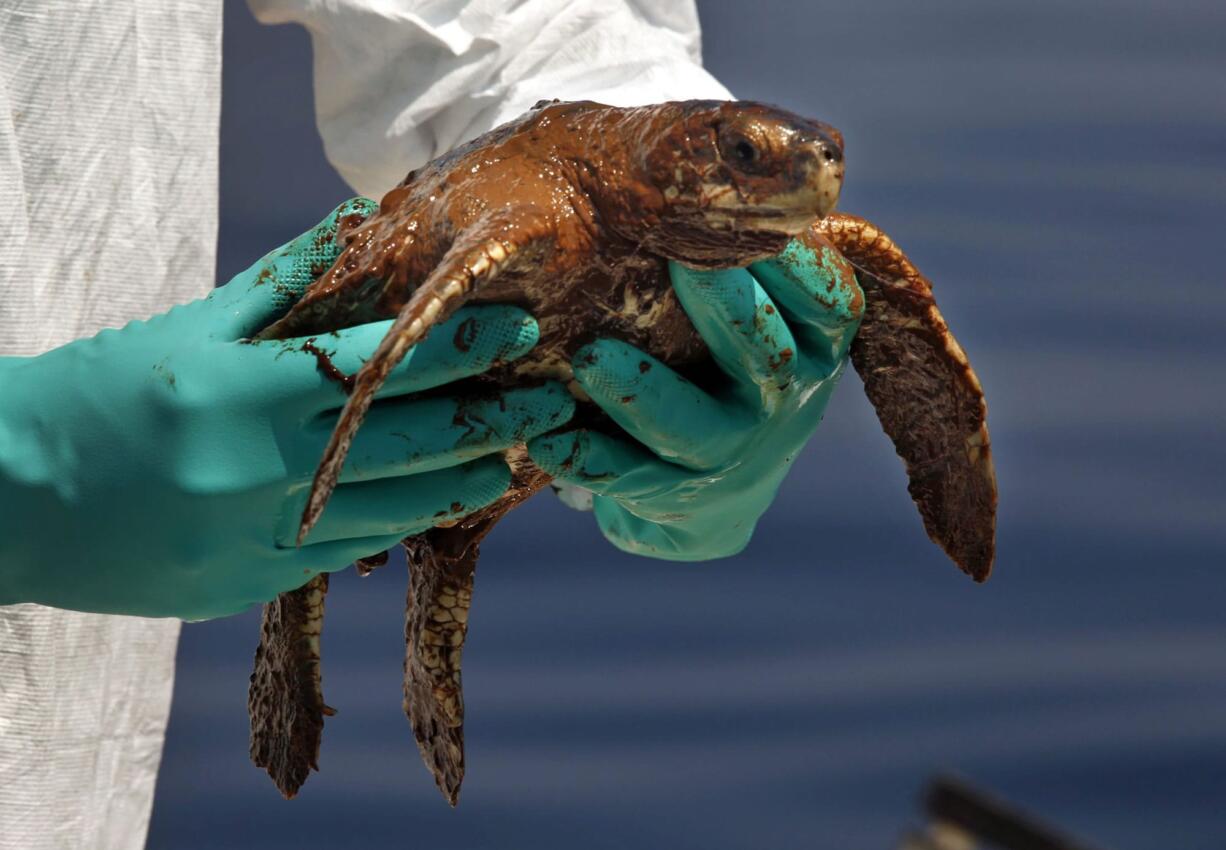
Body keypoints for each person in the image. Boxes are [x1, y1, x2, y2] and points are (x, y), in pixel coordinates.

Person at [0, 1, 861, 847]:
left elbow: (509, 22)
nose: (812, 179)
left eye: (826, 164)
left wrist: (639, 225)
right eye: (748, 156)